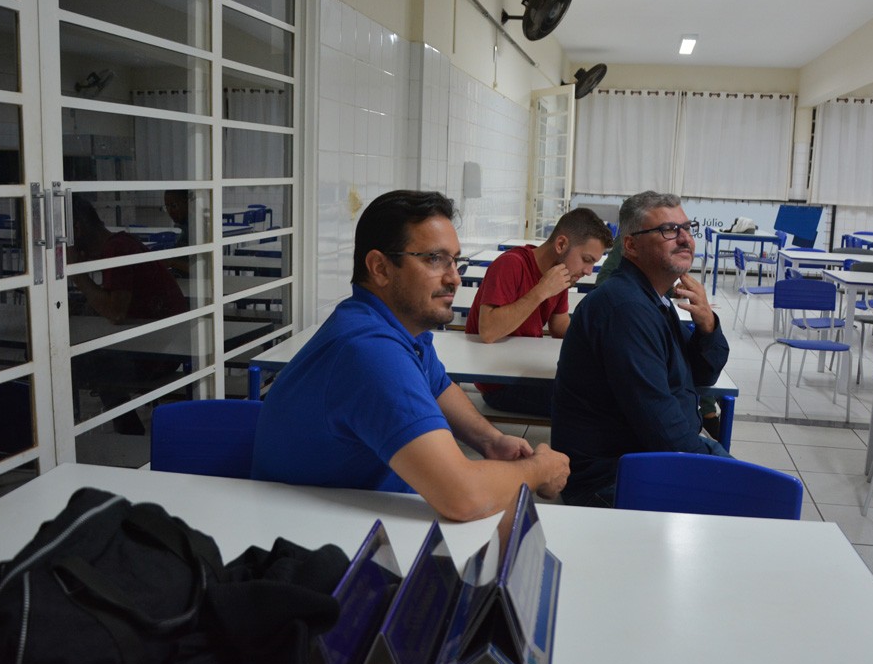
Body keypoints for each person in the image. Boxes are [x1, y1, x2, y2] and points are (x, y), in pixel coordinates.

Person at [251, 190, 569, 522]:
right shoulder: (371, 351)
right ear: (380, 268)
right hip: (315, 531)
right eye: (435, 259)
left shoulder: (398, 325)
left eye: (454, 260)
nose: (454, 278)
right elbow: (464, 497)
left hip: (366, 511)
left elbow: (440, 386)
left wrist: (491, 441)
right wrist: (538, 470)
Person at [551, 191, 731, 508]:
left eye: (687, 228)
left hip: (646, 460)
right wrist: (725, 471)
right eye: (668, 230)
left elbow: (702, 375)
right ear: (631, 246)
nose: (684, 239)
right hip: (612, 479)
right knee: (749, 503)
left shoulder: (653, 298)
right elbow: (663, 431)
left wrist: (707, 325)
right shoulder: (625, 308)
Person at [464, 208, 612, 416]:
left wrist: (599, 342)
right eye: (586, 259)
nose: (589, 271)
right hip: (499, 381)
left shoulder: (561, 273)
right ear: (561, 244)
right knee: (594, 405)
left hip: (526, 368)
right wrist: (542, 290)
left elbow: (559, 325)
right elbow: (488, 331)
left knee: (606, 387)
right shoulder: (511, 264)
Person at [68, 196, 188, 434]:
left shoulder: (117, 249)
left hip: (159, 354)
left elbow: (116, 312)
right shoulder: (120, 243)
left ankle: (123, 432)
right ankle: (124, 427)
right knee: (91, 358)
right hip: (164, 344)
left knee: (73, 361)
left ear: (77, 230)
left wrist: (78, 276)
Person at [162, 189, 190, 277]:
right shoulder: (182, 227)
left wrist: (172, 262)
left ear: (187, 203)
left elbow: (202, 268)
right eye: (167, 206)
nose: (170, 211)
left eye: (174, 206)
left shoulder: (196, 229)